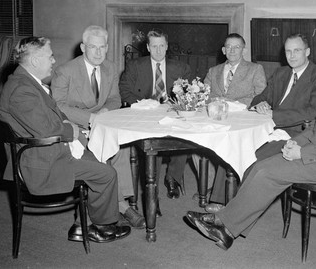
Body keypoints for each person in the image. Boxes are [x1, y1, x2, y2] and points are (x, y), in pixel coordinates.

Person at [185, 46, 316, 250]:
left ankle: (224, 225)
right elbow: (314, 127)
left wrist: (302, 153)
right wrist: (294, 143)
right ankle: (227, 228)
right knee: (258, 164)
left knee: (267, 172)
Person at [0, 37, 131, 243]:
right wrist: (74, 130)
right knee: (106, 173)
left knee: (98, 156)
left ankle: (82, 225)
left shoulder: (26, 82)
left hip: (46, 152)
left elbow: (54, 116)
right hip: (41, 163)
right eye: (50, 56)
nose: (53, 61)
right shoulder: (21, 90)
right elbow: (48, 129)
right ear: (34, 61)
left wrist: (72, 128)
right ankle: (100, 226)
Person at [206, 34, 316, 212]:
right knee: (233, 144)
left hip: (297, 133)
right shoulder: (282, 73)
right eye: (288, 51)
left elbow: (312, 112)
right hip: (269, 128)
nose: (292, 55)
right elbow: (259, 97)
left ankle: (233, 210)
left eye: (297, 50)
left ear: (307, 52)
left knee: (252, 158)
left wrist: (275, 114)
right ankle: (219, 199)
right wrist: (261, 103)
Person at [51, 25, 145, 229]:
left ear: (107, 47)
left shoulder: (110, 68)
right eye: (93, 47)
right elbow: (58, 105)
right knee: (99, 152)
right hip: (75, 126)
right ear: (83, 47)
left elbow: (114, 99)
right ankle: (122, 207)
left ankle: (119, 203)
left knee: (122, 147)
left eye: (102, 47)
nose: (98, 52)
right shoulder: (65, 71)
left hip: (102, 123)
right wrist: (91, 117)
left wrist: (102, 114)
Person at [119, 29, 191, 199]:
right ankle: (153, 190)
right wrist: (144, 105)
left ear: (166, 46)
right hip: (144, 114)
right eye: (154, 46)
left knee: (186, 136)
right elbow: (125, 90)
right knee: (154, 144)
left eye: (161, 46)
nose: (158, 50)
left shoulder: (181, 67)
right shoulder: (135, 66)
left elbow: (189, 95)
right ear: (148, 47)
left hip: (171, 113)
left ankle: (172, 177)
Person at [194, 33, 266, 202]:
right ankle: (210, 186)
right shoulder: (213, 71)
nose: (232, 50)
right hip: (215, 118)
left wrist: (232, 103)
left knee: (230, 146)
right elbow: (204, 95)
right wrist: (216, 102)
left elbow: (261, 95)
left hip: (242, 119)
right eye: (229, 47)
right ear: (223, 50)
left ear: (244, 50)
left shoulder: (255, 69)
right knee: (197, 142)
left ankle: (221, 197)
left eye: (237, 47)